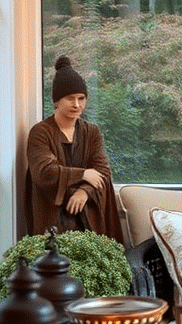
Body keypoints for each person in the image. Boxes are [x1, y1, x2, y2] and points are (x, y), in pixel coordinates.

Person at [25, 56, 125, 243]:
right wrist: (84, 174)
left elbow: (103, 171)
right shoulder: (40, 132)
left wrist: (84, 192)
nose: (77, 104)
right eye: (70, 98)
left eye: (81, 98)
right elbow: (44, 172)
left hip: (89, 221)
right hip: (52, 220)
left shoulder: (92, 132)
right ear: (57, 101)